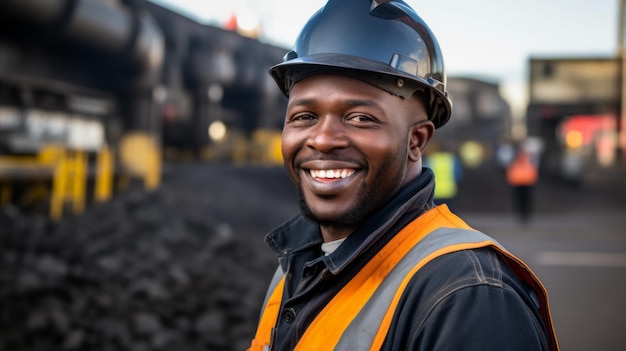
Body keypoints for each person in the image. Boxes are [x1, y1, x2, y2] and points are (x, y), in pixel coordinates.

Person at [248, 0, 559, 350]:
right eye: (304, 116)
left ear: (416, 140)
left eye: (360, 118)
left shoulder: (467, 296)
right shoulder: (295, 267)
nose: (322, 139)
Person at [424, 141, 463, 211]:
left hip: (434, 191)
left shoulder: (432, 159)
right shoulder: (452, 160)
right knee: (449, 213)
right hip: (449, 191)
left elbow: (425, 175)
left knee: (435, 213)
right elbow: (458, 176)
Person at [506, 144, 539, 224]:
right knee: (521, 201)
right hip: (518, 183)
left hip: (526, 183)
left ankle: (525, 215)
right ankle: (522, 216)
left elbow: (533, 169)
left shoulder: (527, 158)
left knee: (525, 201)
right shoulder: (516, 159)